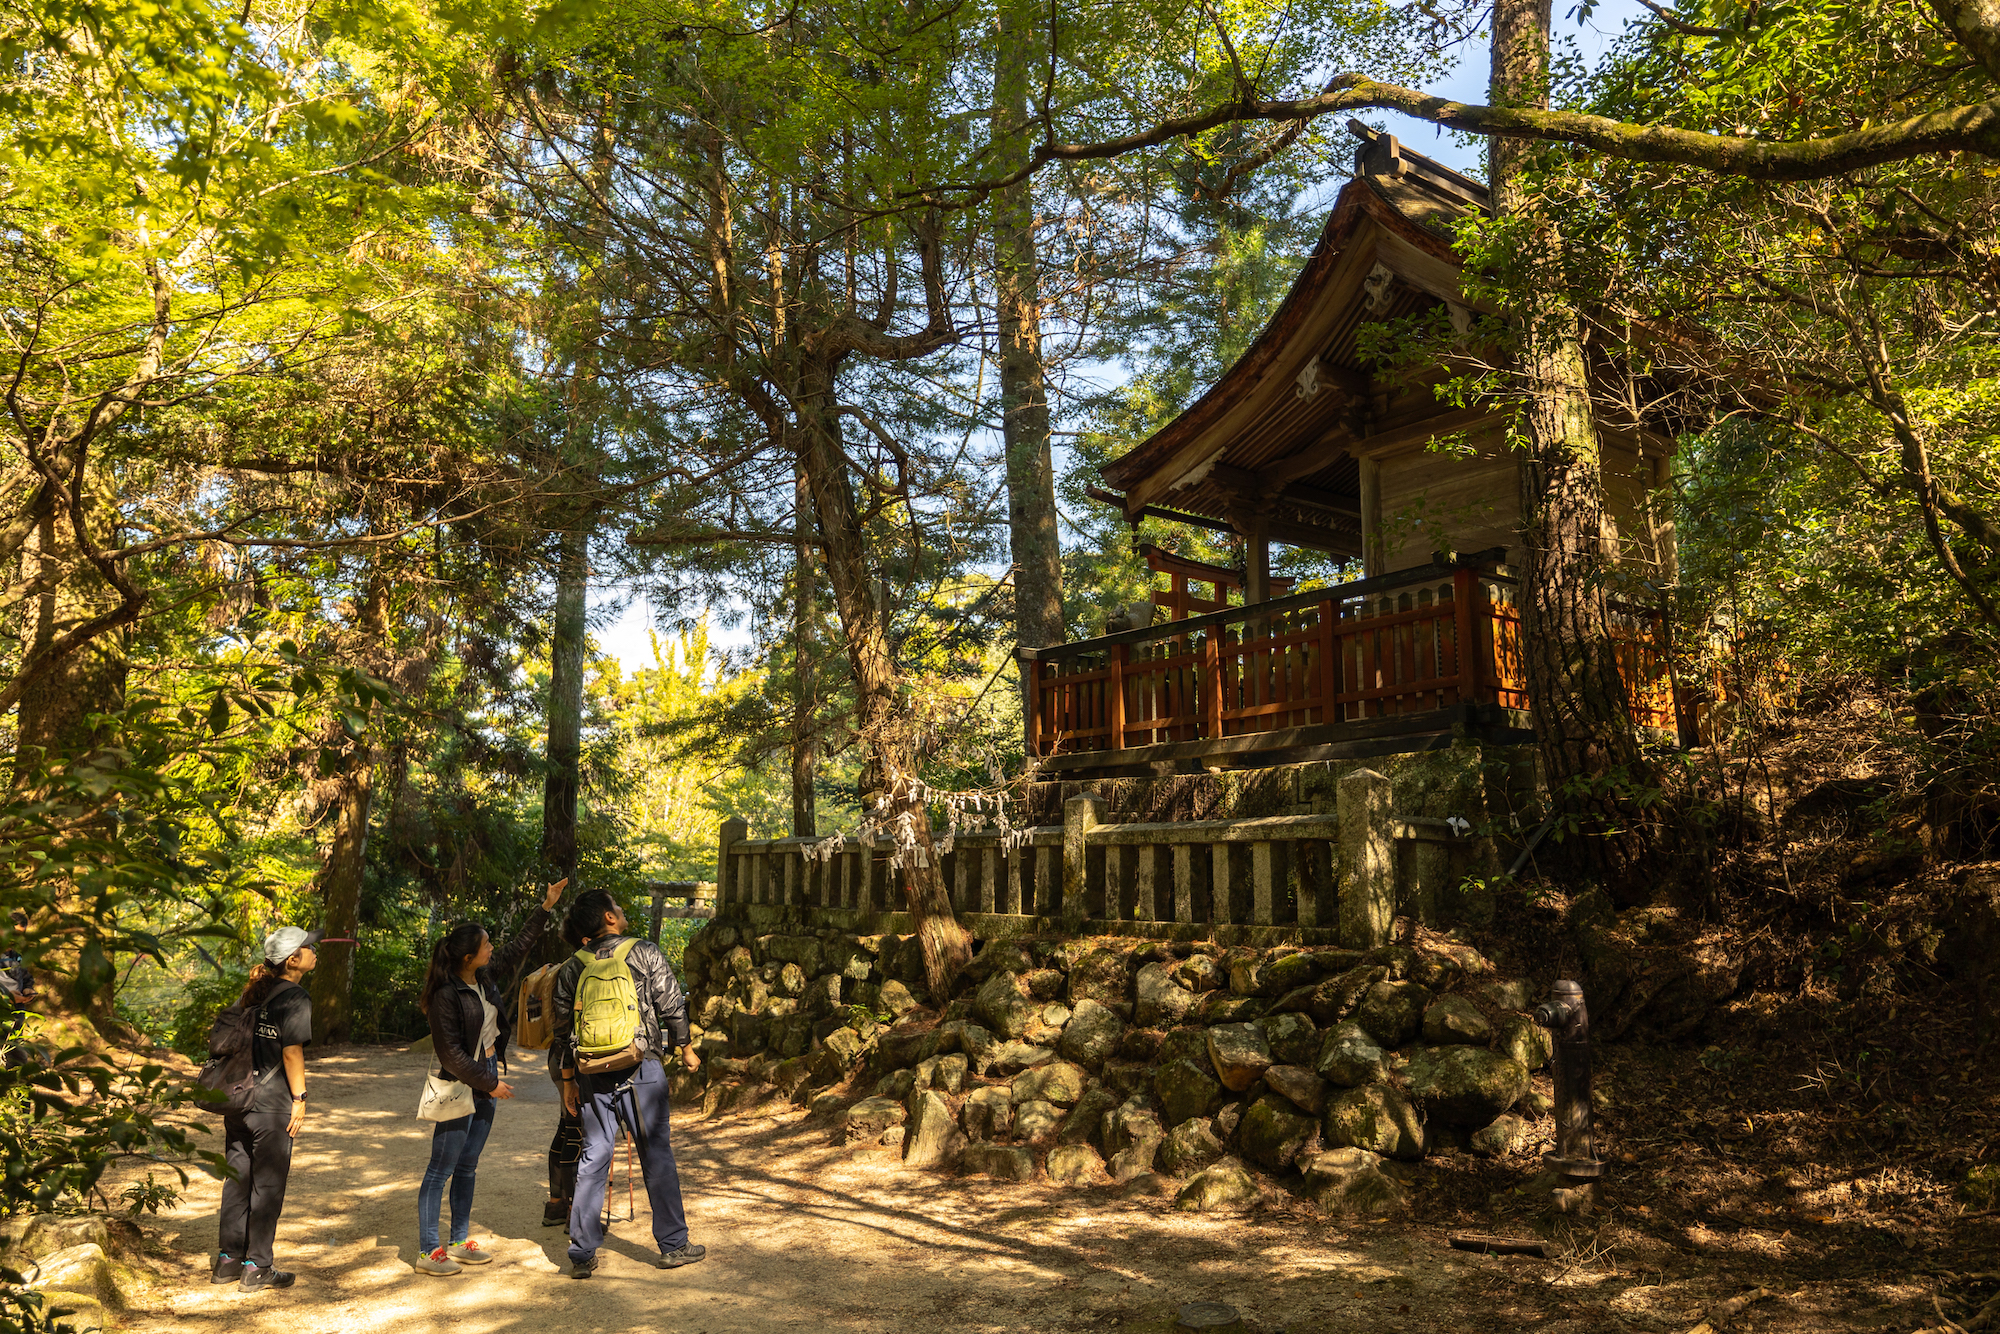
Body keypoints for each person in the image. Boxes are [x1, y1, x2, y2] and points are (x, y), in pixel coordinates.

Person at [411, 878, 565, 1276]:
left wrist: (545, 906)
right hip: (462, 1082)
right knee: (440, 1168)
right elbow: (452, 1054)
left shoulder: (482, 978)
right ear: (467, 956)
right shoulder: (446, 995)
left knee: (468, 1165)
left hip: (485, 1076)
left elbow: (518, 947)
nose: (492, 947)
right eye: (485, 944)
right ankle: (429, 1251)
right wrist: (490, 1082)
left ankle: (459, 1241)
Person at [552, 889, 704, 1278]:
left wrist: (568, 1080)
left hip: (590, 1073)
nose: (621, 911)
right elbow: (671, 1004)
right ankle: (673, 1245)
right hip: (641, 1066)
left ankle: (582, 1252)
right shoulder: (645, 952)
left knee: (594, 1155)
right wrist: (685, 1048)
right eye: (617, 907)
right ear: (608, 917)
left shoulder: (572, 967)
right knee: (656, 1153)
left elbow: (560, 1029)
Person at [213, 925, 319, 1294]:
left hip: (237, 1100)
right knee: (268, 1185)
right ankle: (258, 1266)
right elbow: (292, 1051)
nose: (315, 950)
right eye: (309, 947)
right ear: (293, 960)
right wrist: (300, 1099)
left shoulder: (252, 993)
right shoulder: (295, 997)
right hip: (271, 1105)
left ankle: (228, 1260)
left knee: (238, 1180)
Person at [543, 913, 585, 1230]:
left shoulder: (569, 966)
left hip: (559, 1058)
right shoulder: (583, 968)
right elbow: (564, 1025)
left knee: (566, 1127)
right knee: (577, 1133)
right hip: (573, 1060)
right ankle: (574, 1213)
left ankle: (557, 1205)